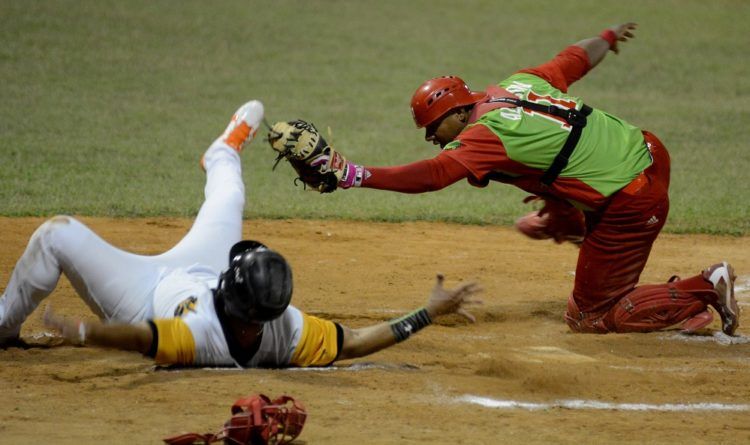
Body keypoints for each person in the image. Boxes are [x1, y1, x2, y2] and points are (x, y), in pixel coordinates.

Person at [325, 23, 740, 335]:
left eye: (433, 127)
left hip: (631, 196)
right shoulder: (516, 83)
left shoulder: (483, 136)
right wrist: (607, 37)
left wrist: (350, 174)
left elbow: (432, 176)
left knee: (590, 317)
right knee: (553, 200)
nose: (432, 138)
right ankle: (585, 229)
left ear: (455, 113)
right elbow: (571, 60)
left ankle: (701, 289)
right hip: (645, 151)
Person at [0, 100, 481, 367]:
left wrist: (85, 330)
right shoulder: (286, 329)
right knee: (227, 199)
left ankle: (3, 326)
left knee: (56, 234)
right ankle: (223, 149)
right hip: (201, 269)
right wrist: (427, 314)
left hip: (141, 294)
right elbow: (354, 342)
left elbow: (135, 336)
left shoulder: (199, 335)